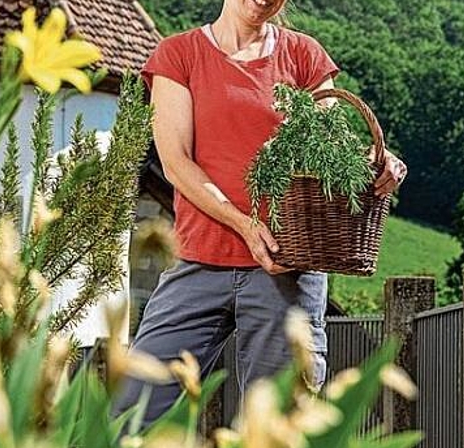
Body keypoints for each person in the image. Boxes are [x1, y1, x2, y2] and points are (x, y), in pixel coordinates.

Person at [113, 0, 407, 426]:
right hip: (199, 261)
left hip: (287, 267)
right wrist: (244, 225)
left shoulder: (304, 57)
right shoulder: (179, 55)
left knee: (279, 425)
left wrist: (375, 160)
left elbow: (321, 154)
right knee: (132, 410)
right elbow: (176, 163)